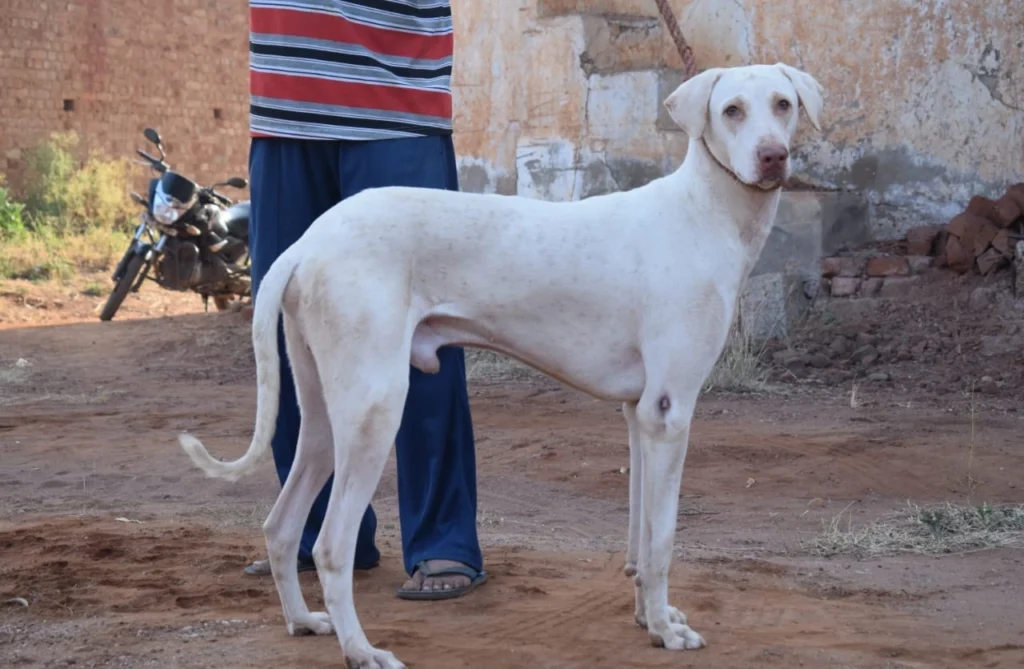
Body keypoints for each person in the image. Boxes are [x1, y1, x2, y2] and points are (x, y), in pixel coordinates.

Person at [244, 0, 486, 600]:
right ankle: (320, 534)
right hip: (285, 111)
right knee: (289, 323)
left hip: (397, 109)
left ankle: (443, 542)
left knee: (425, 328)